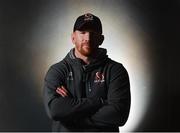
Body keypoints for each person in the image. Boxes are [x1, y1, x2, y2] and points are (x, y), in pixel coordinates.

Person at [43, 13, 131, 132]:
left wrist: (72, 113)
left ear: (101, 39)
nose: (88, 38)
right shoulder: (57, 71)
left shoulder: (115, 70)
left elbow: (118, 115)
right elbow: (56, 110)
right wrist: (100, 102)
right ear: (73, 37)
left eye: (93, 33)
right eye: (82, 32)